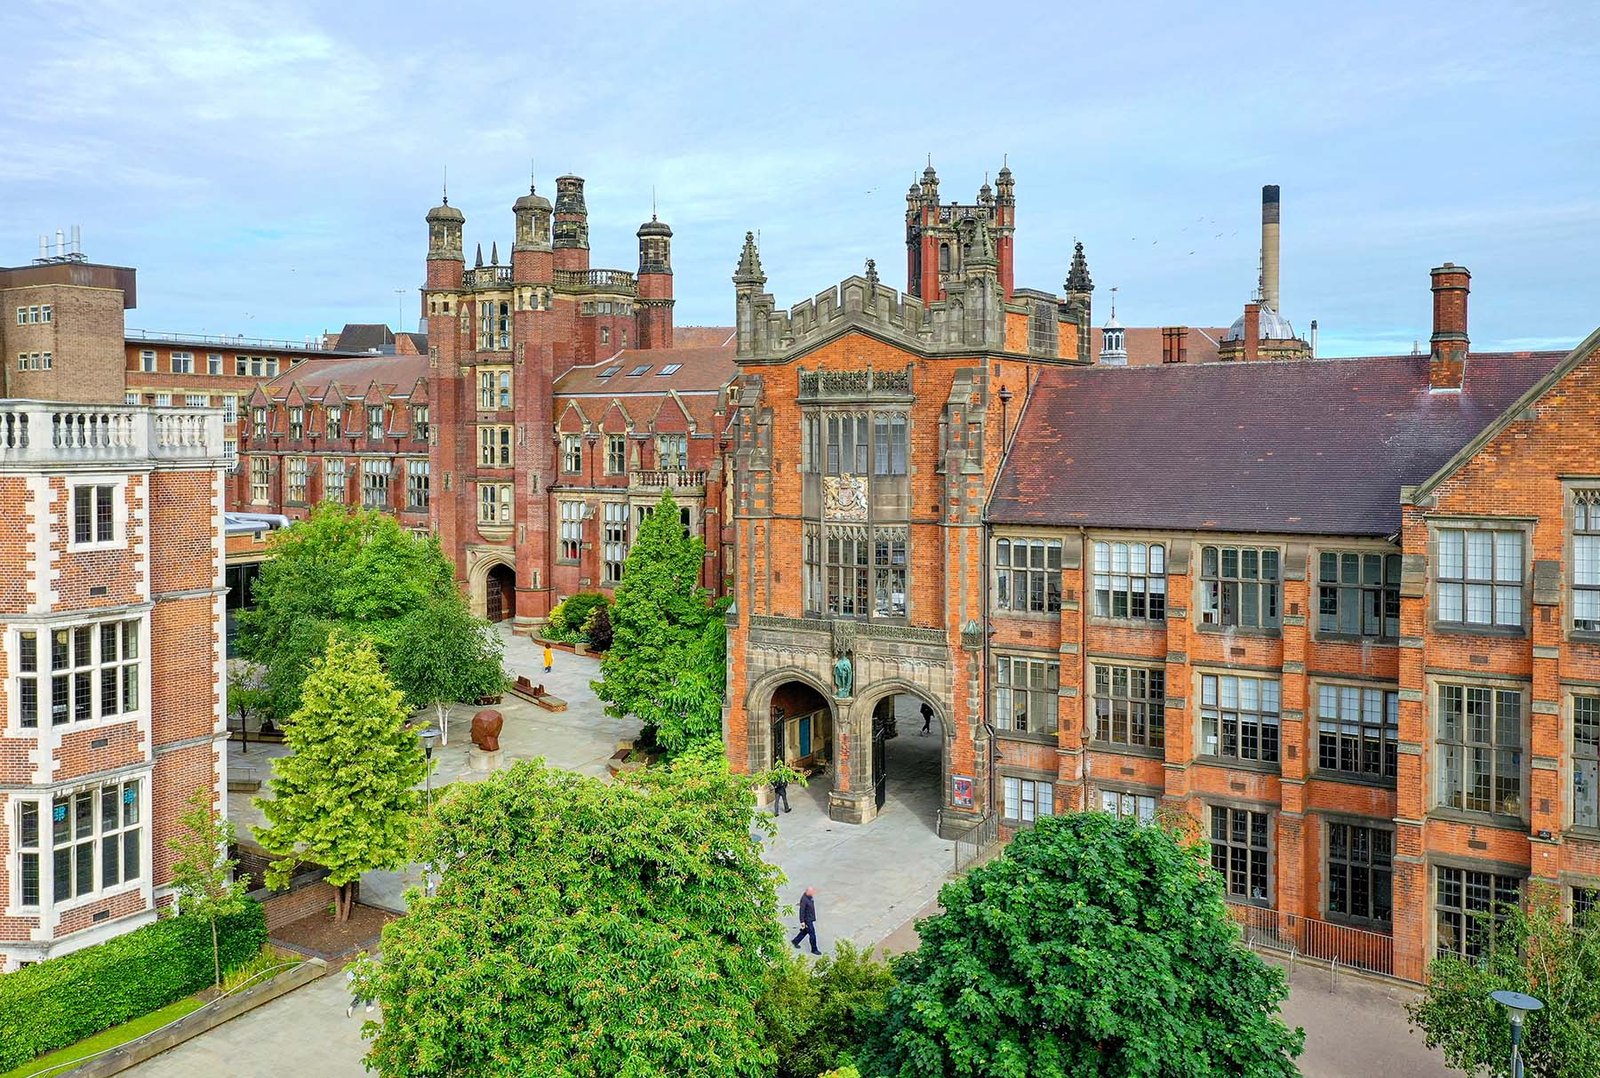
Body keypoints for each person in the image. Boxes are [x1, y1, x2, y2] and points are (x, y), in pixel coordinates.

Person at [791, 886, 821, 955]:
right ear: (808, 892)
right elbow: (802, 911)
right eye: (812, 892)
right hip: (808, 920)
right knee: (812, 935)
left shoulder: (809, 897)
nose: (813, 893)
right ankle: (814, 949)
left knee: (805, 931)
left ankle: (795, 941)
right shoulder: (804, 900)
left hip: (810, 918)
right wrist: (802, 922)